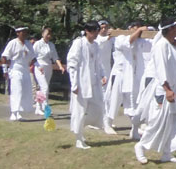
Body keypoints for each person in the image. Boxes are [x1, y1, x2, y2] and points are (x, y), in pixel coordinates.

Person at [135, 17, 176, 164]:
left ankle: (167, 152)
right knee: (158, 122)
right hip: (165, 90)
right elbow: (160, 70)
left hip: (175, 90)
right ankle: (141, 146)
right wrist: (167, 89)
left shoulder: (173, 46)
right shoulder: (161, 46)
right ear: (170, 29)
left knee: (174, 121)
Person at [66, 21, 108, 149]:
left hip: (93, 82)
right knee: (79, 110)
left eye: (97, 31)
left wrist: (102, 75)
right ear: (87, 31)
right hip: (81, 82)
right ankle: (78, 139)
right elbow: (72, 64)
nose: (96, 34)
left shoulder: (95, 45)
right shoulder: (79, 43)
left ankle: (81, 130)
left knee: (97, 107)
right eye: (94, 31)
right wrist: (74, 84)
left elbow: (99, 62)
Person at [103, 22, 147, 135]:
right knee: (114, 99)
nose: (138, 31)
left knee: (132, 100)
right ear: (130, 28)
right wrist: (139, 30)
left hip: (132, 75)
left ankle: (135, 128)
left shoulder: (140, 40)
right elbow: (128, 42)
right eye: (135, 29)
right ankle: (107, 123)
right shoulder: (120, 38)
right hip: (119, 73)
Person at [0, 26, 37, 121]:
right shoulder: (12, 43)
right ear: (17, 33)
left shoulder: (28, 44)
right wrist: (5, 70)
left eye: (26, 32)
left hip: (25, 69)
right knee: (17, 90)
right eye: (22, 32)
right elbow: (4, 57)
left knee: (25, 91)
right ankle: (14, 112)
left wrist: (35, 66)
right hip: (15, 68)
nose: (24, 34)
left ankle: (19, 112)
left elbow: (33, 57)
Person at [32, 26, 65, 103]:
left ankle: (38, 106)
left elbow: (55, 57)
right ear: (43, 34)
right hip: (39, 66)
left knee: (44, 87)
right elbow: (33, 56)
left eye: (50, 34)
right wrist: (38, 66)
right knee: (44, 87)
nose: (49, 36)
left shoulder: (51, 45)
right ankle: (45, 106)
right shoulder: (38, 44)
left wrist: (60, 66)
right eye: (47, 34)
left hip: (48, 66)